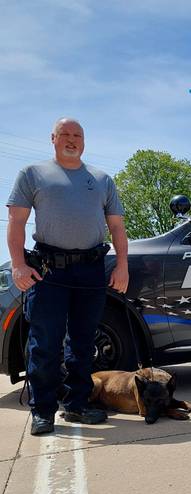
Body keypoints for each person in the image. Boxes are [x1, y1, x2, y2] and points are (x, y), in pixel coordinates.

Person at [6, 118, 129, 435]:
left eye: (78, 135)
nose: (72, 140)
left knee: (84, 343)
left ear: (84, 141)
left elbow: (116, 227)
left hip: (90, 270)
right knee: (45, 344)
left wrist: (122, 265)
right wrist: (18, 265)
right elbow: (17, 222)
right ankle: (43, 411)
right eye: (65, 134)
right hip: (49, 271)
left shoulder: (101, 179)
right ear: (53, 138)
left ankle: (78, 405)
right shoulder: (32, 174)